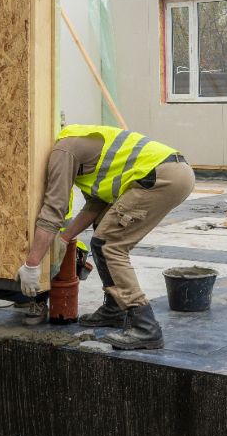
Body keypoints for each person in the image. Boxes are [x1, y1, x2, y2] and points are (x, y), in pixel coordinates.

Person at [17, 124, 194, 350]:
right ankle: (115, 309)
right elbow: (96, 203)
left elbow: (54, 209)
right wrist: (63, 239)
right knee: (101, 239)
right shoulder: (80, 143)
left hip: (161, 177)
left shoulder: (63, 150)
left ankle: (145, 326)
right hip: (172, 173)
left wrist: (32, 265)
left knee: (111, 245)